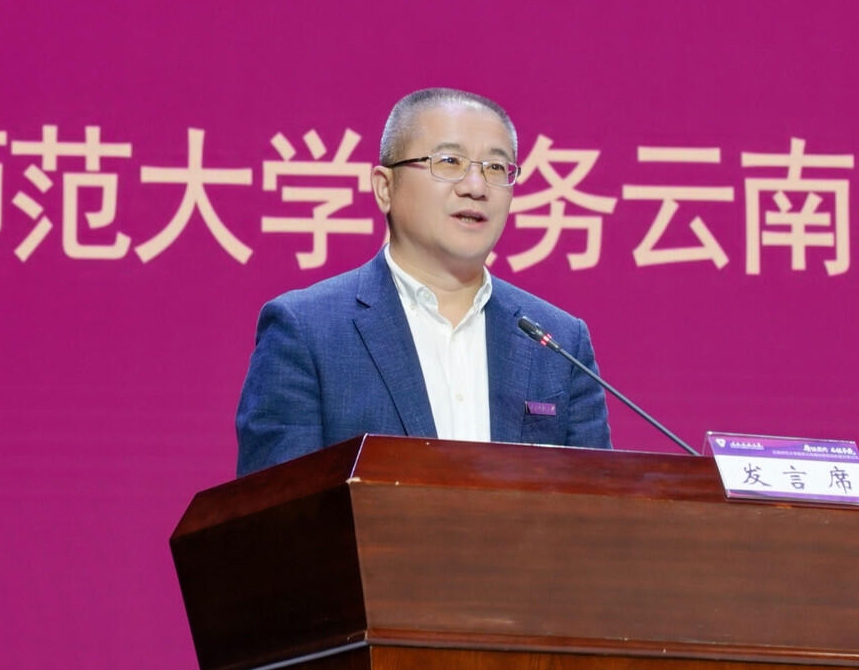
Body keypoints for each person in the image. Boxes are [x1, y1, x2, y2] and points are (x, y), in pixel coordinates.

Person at [235, 88, 612, 476]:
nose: (476, 186)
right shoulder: (307, 331)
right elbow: (278, 506)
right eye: (449, 162)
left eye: (496, 168)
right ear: (385, 187)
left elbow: (596, 502)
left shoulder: (559, 342)